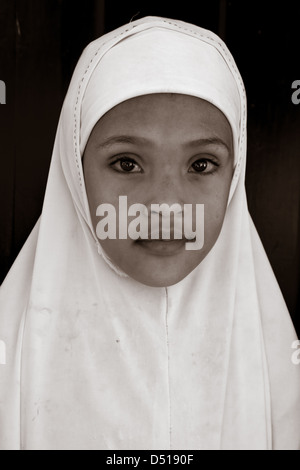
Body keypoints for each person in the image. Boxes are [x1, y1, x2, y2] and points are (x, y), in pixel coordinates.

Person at [0, 16, 299, 450]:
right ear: (75, 174)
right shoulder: (11, 358)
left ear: (235, 179)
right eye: (126, 163)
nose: (165, 206)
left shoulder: (278, 368)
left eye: (201, 165)